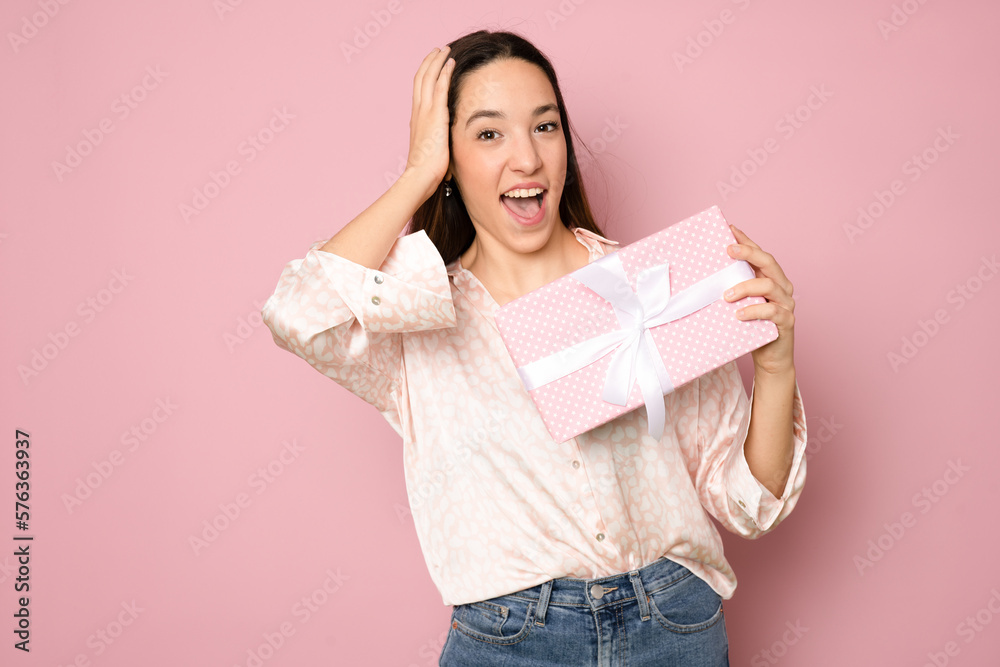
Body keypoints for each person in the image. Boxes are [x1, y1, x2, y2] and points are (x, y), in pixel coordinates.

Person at [261, 29, 807, 667]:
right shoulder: (416, 316)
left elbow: (750, 504)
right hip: (511, 641)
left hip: (673, 626)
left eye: (544, 127)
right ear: (448, 156)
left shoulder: (651, 287)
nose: (526, 159)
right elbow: (298, 315)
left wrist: (774, 364)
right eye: (489, 134)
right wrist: (415, 173)